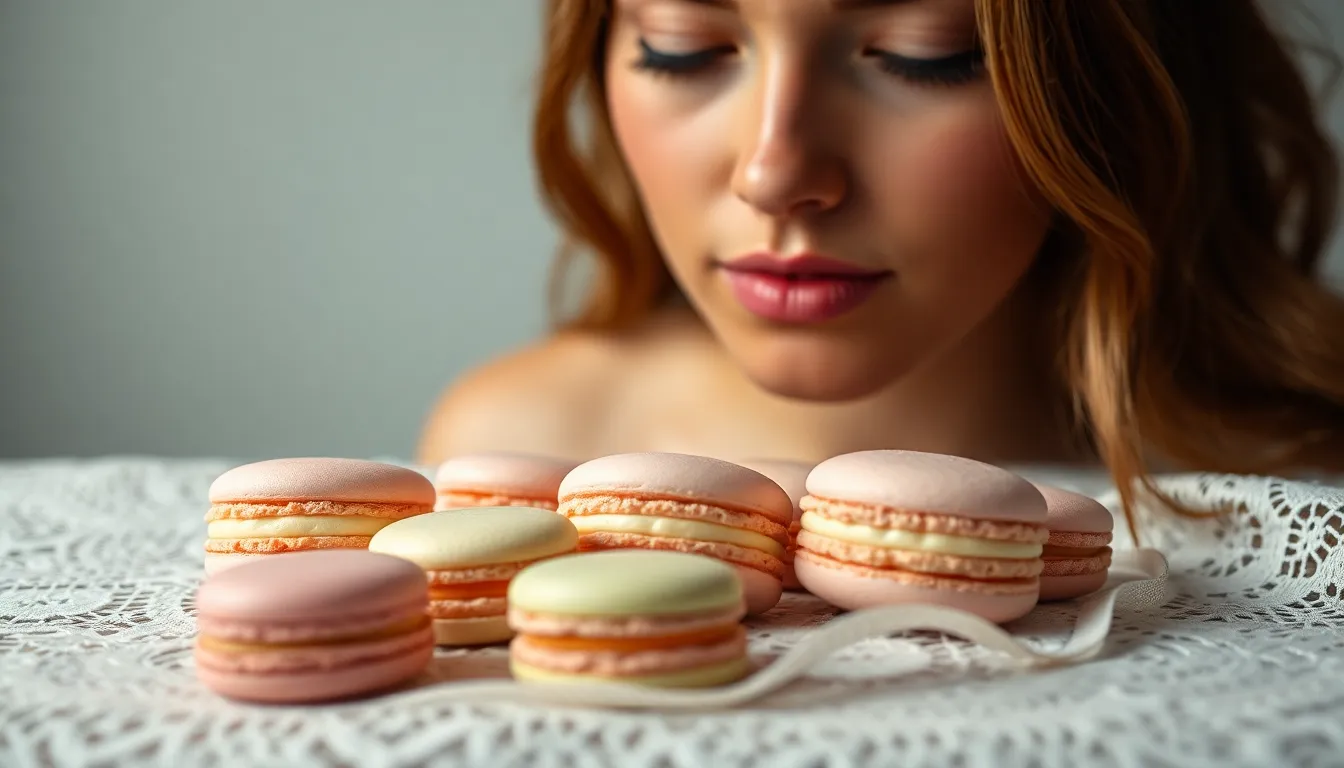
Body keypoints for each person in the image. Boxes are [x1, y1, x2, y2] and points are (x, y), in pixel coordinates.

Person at [419, 0, 1344, 518]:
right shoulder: (518, 450)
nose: (774, 173)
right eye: (683, 47)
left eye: (922, 55)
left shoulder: (1294, 478)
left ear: (1108, 90)